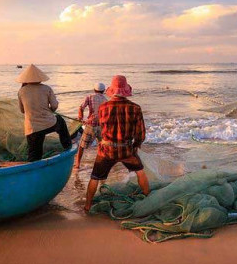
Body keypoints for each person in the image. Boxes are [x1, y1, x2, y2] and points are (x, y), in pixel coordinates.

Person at [84, 75, 150, 211]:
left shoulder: (103, 108)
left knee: (95, 177)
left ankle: (87, 206)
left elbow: (102, 130)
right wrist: (136, 146)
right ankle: (148, 200)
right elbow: (141, 134)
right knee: (140, 172)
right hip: (126, 149)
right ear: (126, 90)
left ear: (112, 91)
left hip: (106, 151)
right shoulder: (135, 108)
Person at [17, 64, 71, 161]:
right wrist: (50, 110)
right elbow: (54, 106)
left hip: (32, 128)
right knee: (60, 122)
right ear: (39, 78)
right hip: (49, 123)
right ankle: (67, 147)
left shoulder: (21, 91)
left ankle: (32, 170)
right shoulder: (47, 88)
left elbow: (22, 111)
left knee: (34, 154)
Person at [74, 82, 107, 169]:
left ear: (94, 90)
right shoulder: (106, 100)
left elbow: (81, 107)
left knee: (81, 146)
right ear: (103, 91)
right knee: (101, 146)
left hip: (90, 125)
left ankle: (77, 165)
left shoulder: (90, 97)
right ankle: (101, 163)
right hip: (101, 126)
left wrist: (80, 117)